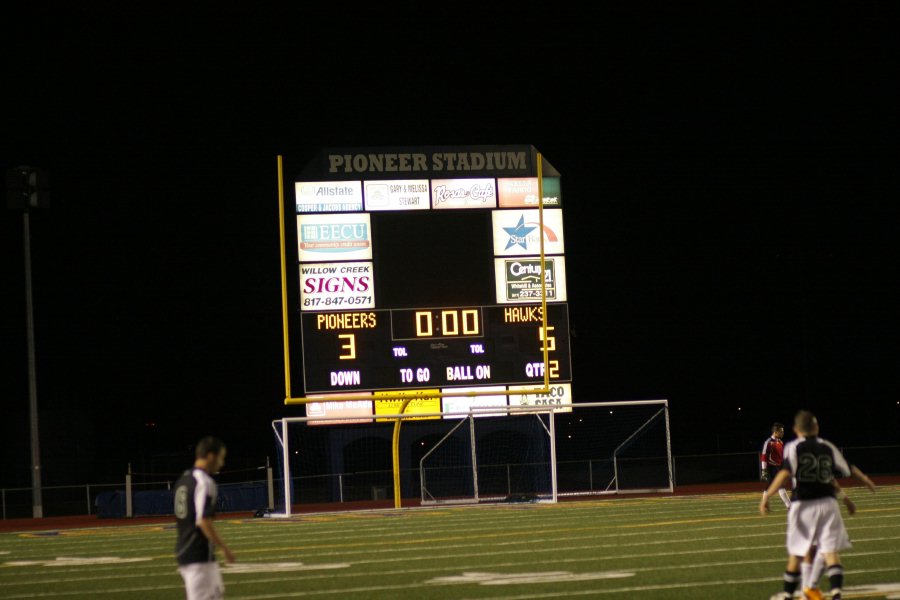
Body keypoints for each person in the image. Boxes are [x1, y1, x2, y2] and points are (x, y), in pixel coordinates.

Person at [759, 410, 873, 600]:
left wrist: (766, 496)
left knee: (797, 554)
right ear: (817, 428)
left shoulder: (793, 447)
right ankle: (832, 593)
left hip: (802, 504)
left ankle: (789, 594)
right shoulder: (827, 446)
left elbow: (785, 473)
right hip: (828, 503)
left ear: (796, 429)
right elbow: (847, 468)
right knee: (830, 552)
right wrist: (863, 482)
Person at [174, 436, 236, 600]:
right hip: (198, 555)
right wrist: (224, 548)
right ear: (211, 456)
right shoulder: (204, 482)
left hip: (185, 550)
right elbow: (203, 520)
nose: (221, 463)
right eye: (221, 457)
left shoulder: (183, 480)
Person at [760, 422, 791, 508]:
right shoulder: (768, 442)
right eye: (781, 431)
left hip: (779, 467)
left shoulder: (780, 442)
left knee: (770, 486)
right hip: (772, 467)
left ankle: (764, 503)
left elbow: (781, 456)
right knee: (780, 485)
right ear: (775, 432)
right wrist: (764, 470)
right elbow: (764, 457)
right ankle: (789, 506)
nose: (783, 433)